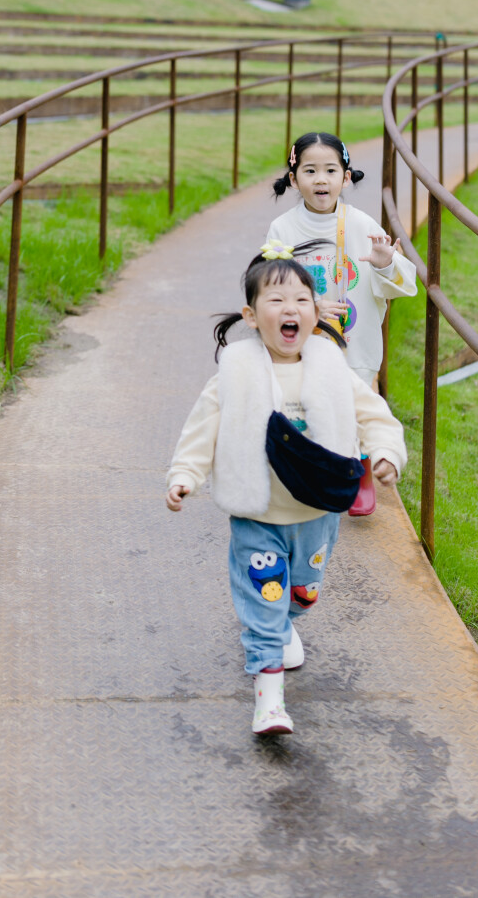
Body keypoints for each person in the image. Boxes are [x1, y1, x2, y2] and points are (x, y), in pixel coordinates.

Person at [165, 245, 406, 736]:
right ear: (252, 316)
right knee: (263, 605)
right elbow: (202, 427)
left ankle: (287, 616)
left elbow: (372, 414)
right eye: (276, 301)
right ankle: (269, 703)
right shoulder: (236, 372)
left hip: (315, 513)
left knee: (303, 593)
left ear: (316, 313)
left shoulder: (330, 367)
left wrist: (383, 453)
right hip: (258, 516)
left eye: (301, 299)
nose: (290, 309)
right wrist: (185, 475)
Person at [265, 133, 416, 389]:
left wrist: (384, 264)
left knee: (349, 423)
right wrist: (309, 307)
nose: (321, 179)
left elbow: (403, 284)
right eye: (310, 171)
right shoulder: (282, 230)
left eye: (331, 170)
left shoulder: (363, 225)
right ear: (293, 179)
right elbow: (269, 291)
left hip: (354, 357)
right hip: (300, 354)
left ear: (345, 178)